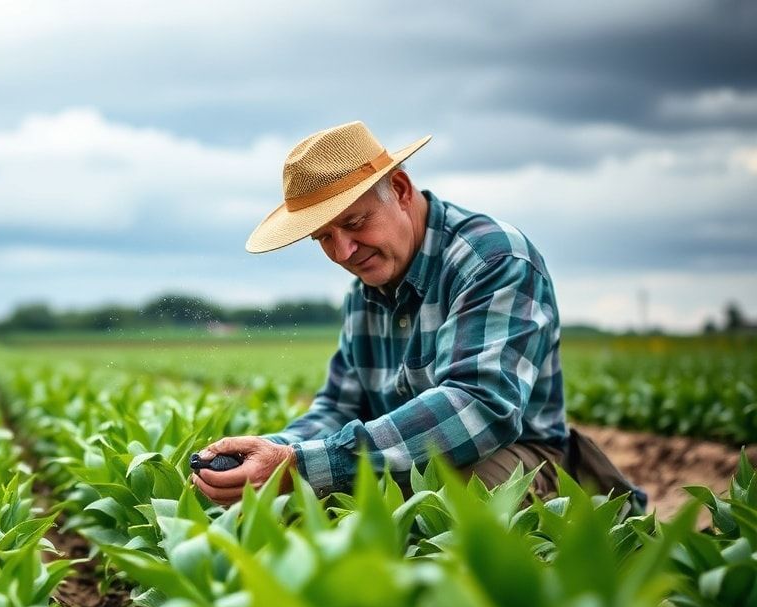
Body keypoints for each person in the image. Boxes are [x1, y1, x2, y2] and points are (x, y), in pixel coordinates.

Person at [191, 120, 644, 510]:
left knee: (452, 500)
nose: (344, 251)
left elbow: (479, 407)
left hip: (516, 454)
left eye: (353, 223)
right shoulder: (366, 288)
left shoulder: (493, 261)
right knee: (297, 506)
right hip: (406, 461)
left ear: (402, 191)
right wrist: (276, 453)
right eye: (323, 238)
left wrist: (305, 466)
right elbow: (339, 407)